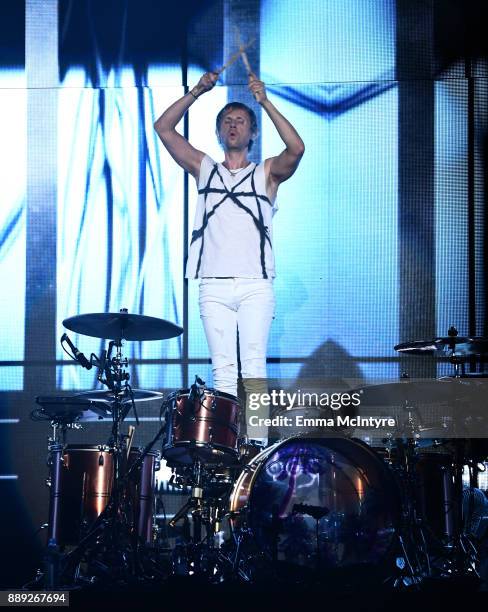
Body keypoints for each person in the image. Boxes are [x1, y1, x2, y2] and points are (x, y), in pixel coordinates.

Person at [154, 71, 304, 443]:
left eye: (240, 121)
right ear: (220, 132)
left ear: (252, 133)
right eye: (227, 121)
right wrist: (197, 91)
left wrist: (265, 101)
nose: (233, 125)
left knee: (253, 369)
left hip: (255, 285)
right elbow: (164, 128)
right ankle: (228, 450)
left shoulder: (266, 173)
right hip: (214, 285)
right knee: (224, 372)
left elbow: (297, 149)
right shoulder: (205, 167)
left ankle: (254, 448)